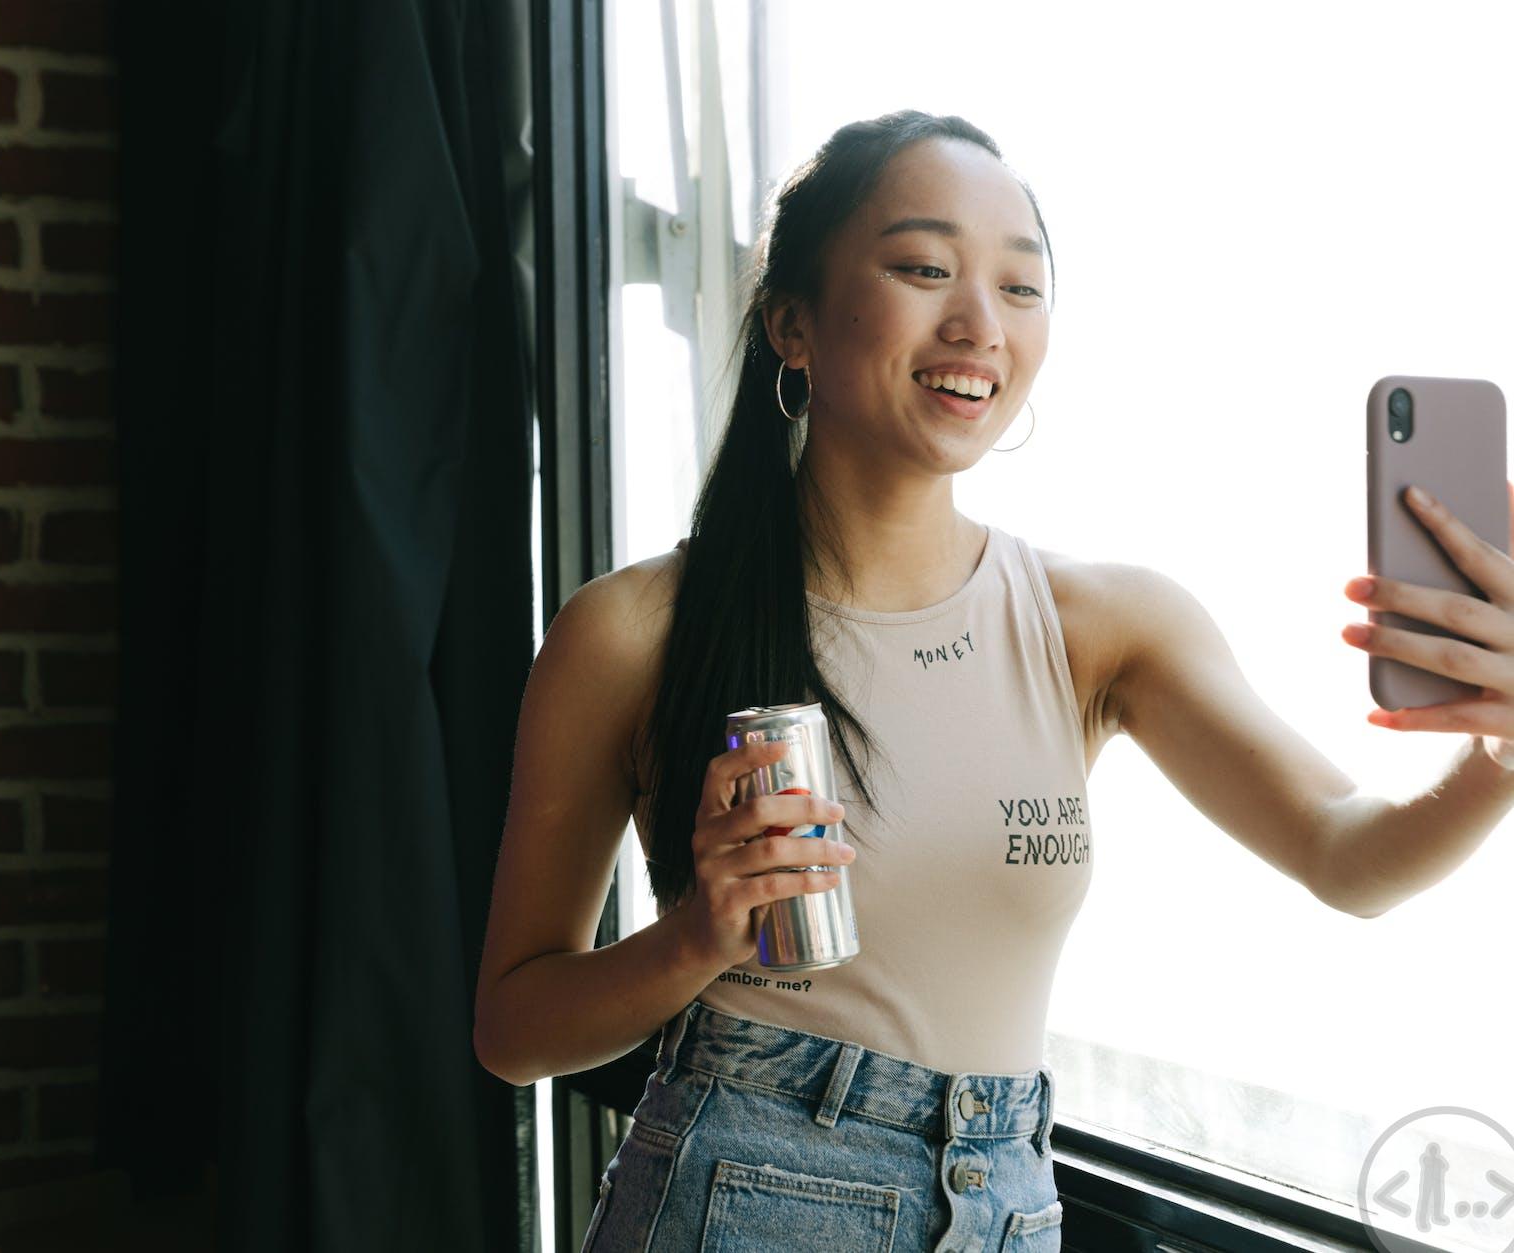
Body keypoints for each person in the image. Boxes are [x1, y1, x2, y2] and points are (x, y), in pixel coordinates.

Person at [474, 108, 1389, 1252]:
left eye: (1020, 286)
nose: (977, 323)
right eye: (921, 268)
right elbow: (513, 1027)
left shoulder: (1102, 623)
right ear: (789, 323)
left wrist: (1495, 753)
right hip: (742, 1193)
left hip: (1009, 1200)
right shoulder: (630, 629)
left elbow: (1350, 856)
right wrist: (694, 938)